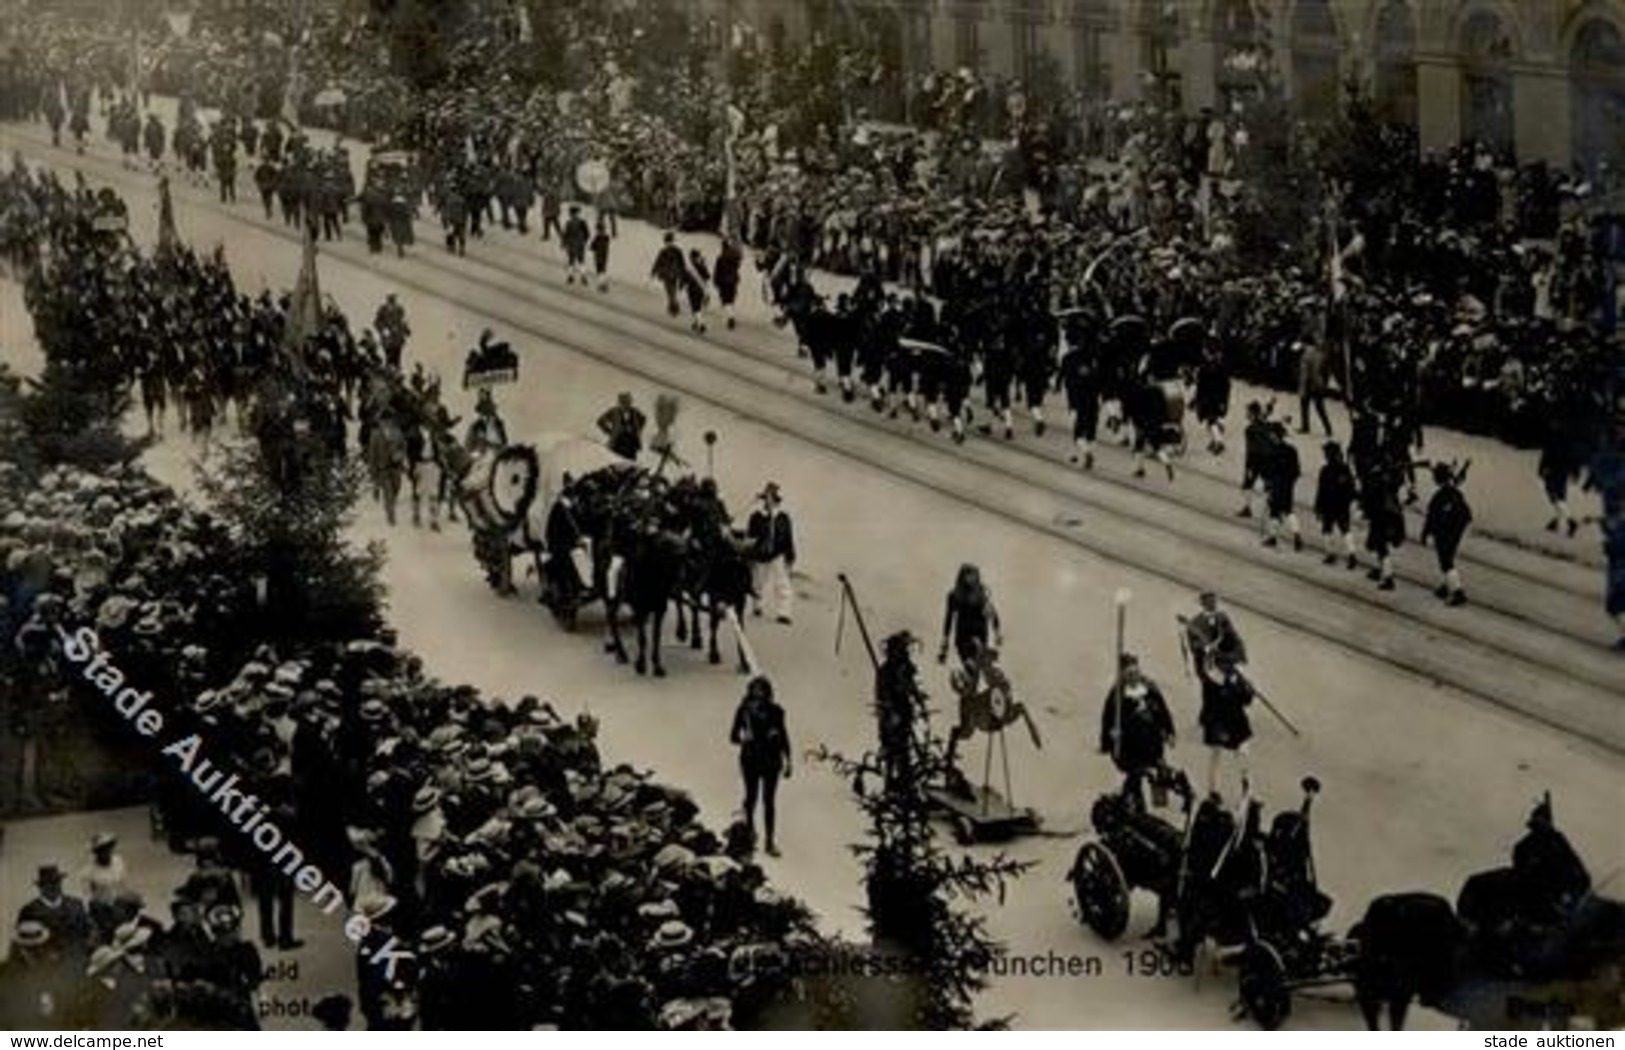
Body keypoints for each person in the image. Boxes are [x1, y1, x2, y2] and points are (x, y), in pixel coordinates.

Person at [1098, 653, 1176, 801]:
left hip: (1152, 744)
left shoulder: (1150, 689)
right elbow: (1107, 719)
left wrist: (1169, 731)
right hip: (1129, 748)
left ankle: (1159, 798)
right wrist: (1107, 741)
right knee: (1135, 774)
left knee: (1160, 769)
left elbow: (1162, 711)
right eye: (1129, 673)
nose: (1133, 676)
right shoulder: (1117, 695)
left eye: (1135, 671)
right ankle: (1134, 799)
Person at [729, 675, 791, 857]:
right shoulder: (743, 711)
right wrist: (743, 738)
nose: (758, 694)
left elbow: (784, 736)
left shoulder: (776, 711)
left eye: (761, 690)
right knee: (751, 797)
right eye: (755, 690)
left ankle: (769, 840)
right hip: (751, 758)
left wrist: (789, 760)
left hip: (772, 759)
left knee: (769, 801)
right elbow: (732, 736)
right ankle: (750, 832)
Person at [1511, 795, 1590, 926]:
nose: (1544, 825)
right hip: (1537, 893)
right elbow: (1522, 869)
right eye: (1540, 821)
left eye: (1545, 821)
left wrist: (1581, 881)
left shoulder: (1557, 840)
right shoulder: (1524, 846)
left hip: (1559, 891)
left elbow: (1574, 862)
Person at [1197, 654, 1254, 799]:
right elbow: (1211, 704)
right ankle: (1213, 789)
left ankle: (1245, 781)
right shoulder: (1211, 681)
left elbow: (1246, 701)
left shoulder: (1236, 676)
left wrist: (1248, 690)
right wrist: (1234, 688)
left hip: (1236, 720)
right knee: (1216, 756)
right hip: (1219, 722)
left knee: (1243, 753)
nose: (1231, 667)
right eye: (1228, 664)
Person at [1421, 463, 1473, 606]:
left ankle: (1458, 592)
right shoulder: (1453, 490)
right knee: (1448, 555)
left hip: (1446, 528)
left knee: (1445, 560)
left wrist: (1425, 533)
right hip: (1459, 525)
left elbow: (1431, 517)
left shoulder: (1438, 497)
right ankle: (1448, 584)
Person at [17, 864, 91, 963]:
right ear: (41, 887)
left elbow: (90, 927)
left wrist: (87, 945)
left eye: (56, 882)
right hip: (45, 965)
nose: (54, 886)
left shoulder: (75, 904)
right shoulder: (29, 911)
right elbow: (22, 942)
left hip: (77, 959)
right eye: (49, 883)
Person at [746, 482, 796, 624]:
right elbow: (751, 537)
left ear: (776, 500)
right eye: (767, 498)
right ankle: (757, 606)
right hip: (760, 554)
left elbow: (788, 537)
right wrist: (750, 555)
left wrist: (790, 555)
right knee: (758, 582)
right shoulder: (756, 516)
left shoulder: (783, 518)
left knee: (783, 584)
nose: (769, 501)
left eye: (772, 498)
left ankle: (784, 613)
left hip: (778, 553)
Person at [939, 563, 1001, 666]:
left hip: (980, 632)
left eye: (974, 576)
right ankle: (964, 675)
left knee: (979, 664)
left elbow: (992, 612)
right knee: (969, 665)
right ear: (962, 577)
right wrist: (945, 639)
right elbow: (949, 618)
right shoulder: (954, 595)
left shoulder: (983, 592)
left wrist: (997, 631)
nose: (971, 579)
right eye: (968, 576)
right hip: (963, 635)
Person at [1314, 440, 1359, 569]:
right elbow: (1351, 487)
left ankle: (1330, 554)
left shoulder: (1325, 470)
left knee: (1327, 529)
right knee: (1345, 530)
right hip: (1342, 505)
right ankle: (1352, 554)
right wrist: (1350, 500)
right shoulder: (1345, 469)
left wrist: (1318, 507)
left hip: (1329, 505)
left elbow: (1321, 491)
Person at [1261, 421, 1304, 551]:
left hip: (1276, 483)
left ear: (1275, 435)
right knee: (1288, 510)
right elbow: (1296, 471)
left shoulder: (1271, 451)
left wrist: (1268, 486)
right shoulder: (1291, 450)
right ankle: (1296, 533)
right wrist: (1290, 482)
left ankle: (1273, 537)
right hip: (1288, 484)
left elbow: (1268, 471)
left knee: (1274, 510)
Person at [78, 833, 127, 940]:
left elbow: (122, 885)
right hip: (101, 912)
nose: (106, 852)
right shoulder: (88, 871)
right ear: (96, 852)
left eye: (108, 848)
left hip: (120, 908)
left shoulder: (119, 861)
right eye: (102, 850)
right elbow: (87, 898)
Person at [596, 391, 646, 461]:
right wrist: (609, 432)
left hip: (631, 445)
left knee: (630, 465)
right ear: (620, 402)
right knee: (615, 462)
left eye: (628, 402)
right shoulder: (614, 411)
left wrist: (637, 430)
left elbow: (643, 419)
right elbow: (600, 421)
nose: (627, 404)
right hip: (617, 443)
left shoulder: (634, 412)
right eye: (624, 402)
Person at [651, 231, 688, 318]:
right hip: (674, 274)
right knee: (672, 290)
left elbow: (658, 262)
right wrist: (683, 273)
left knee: (670, 291)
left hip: (667, 274)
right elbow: (682, 264)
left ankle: (674, 308)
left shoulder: (665, 251)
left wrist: (654, 271)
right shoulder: (677, 251)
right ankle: (673, 307)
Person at [375, 294, 410, 371]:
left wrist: (406, 330)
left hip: (397, 338)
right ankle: (389, 368)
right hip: (387, 338)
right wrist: (384, 329)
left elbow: (403, 322)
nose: (392, 303)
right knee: (389, 354)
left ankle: (396, 369)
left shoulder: (400, 310)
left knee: (397, 355)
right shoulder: (382, 309)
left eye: (393, 301)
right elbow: (377, 322)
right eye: (390, 301)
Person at [714, 237, 743, 329]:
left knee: (726, 301)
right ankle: (730, 315)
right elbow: (738, 264)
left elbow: (717, 271)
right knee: (731, 300)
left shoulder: (720, 258)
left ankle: (730, 317)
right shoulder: (735, 257)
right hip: (733, 280)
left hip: (724, 281)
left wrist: (716, 282)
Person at [561, 204, 590, 285]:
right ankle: (583, 276)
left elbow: (565, 235)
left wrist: (563, 243)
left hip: (571, 244)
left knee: (571, 261)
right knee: (581, 260)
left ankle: (570, 276)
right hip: (580, 244)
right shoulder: (582, 222)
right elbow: (587, 234)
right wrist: (584, 241)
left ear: (571, 213)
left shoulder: (568, 223)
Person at [590, 218, 611, 293]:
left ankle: (601, 285)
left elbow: (592, 247)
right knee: (603, 270)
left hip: (598, 256)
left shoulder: (597, 237)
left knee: (599, 271)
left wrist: (593, 248)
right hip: (605, 256)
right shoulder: (606, 237)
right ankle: (603, 284)